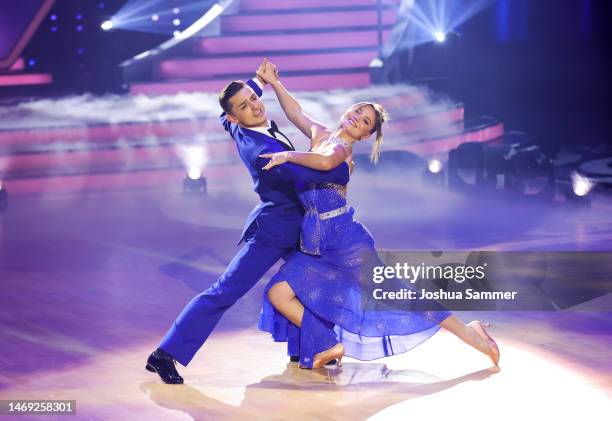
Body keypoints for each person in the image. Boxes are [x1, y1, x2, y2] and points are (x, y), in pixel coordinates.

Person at [255, 62, 501, 369]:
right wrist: (275, 84)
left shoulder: (341, 151)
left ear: (365, 135)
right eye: (357, 111)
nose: (357, 118)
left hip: (347, 244)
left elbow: (322, 162)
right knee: (278, 293)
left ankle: (470, 334)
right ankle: (329, 344)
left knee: (399, 295)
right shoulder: (323, 136)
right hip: (315, 243)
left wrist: (287, 155)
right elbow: (296, 113)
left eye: (365, 121)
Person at [146, 59, 351, 384]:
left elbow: (231, 107)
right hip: (275, 230)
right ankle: (164, 354)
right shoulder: (262, 151)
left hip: (295, 224)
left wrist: (258, 80)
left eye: (254, 99)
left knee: (309, 284)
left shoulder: (236, 125)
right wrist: (343, 159)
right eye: (245, 105)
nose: (254, 106)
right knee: (225, 290)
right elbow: (323, 171)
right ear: (234, 116)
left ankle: (306, 351)